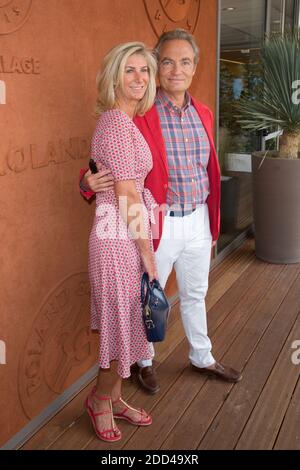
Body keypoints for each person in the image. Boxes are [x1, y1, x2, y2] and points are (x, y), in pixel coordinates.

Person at [80, 29, 242, 396]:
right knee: (149, 296)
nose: (175, 70)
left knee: (195, 292)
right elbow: (110, 165)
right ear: (158, 67)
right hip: (158, 224)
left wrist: (212, 223)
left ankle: (202, 356)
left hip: (198, 219)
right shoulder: (138, 111)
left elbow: (208, 170)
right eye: (166, 61)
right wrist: (86, 183)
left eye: (184, 61)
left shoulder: (203, 112)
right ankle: (145, 362)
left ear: (195, 67)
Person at [84, 41, 159, 443]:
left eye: (144, 71)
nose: (139, 78)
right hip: (118, 238)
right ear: (114, 76)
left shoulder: (126, 122)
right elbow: (128, 195)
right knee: (120, 323)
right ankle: (99, 399)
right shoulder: (114, 123)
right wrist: (148, 256)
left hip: (124, 233)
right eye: (129, 70)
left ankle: (112, 398)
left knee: (127, 323)